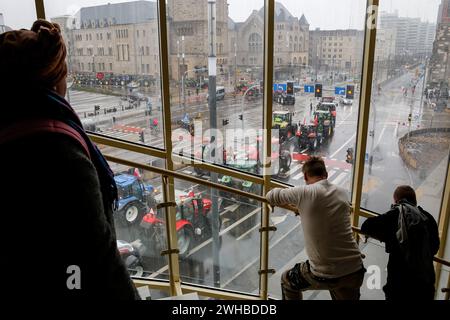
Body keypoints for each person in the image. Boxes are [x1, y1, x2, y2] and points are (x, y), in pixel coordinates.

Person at [0, 20, 139, 299]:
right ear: (52, 80)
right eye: (65, 73)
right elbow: (101, 258)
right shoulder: (60, 152)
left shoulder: (9, 118)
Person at [266, 157, 365, 300]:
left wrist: (299, 207)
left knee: (287, 280)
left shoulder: (304, 192)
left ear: (305, 176)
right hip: (355, 268)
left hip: (327, 272)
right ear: (326, 174)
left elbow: (271, 196)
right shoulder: (341, 192)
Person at [361, 186, 439, 300]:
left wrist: (388, 238)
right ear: (415, 200)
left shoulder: (396, 215)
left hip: (399, 286)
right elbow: (435, 248)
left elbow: (366, 226)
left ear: (396, 201)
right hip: (425, 285)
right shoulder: (428, 218)